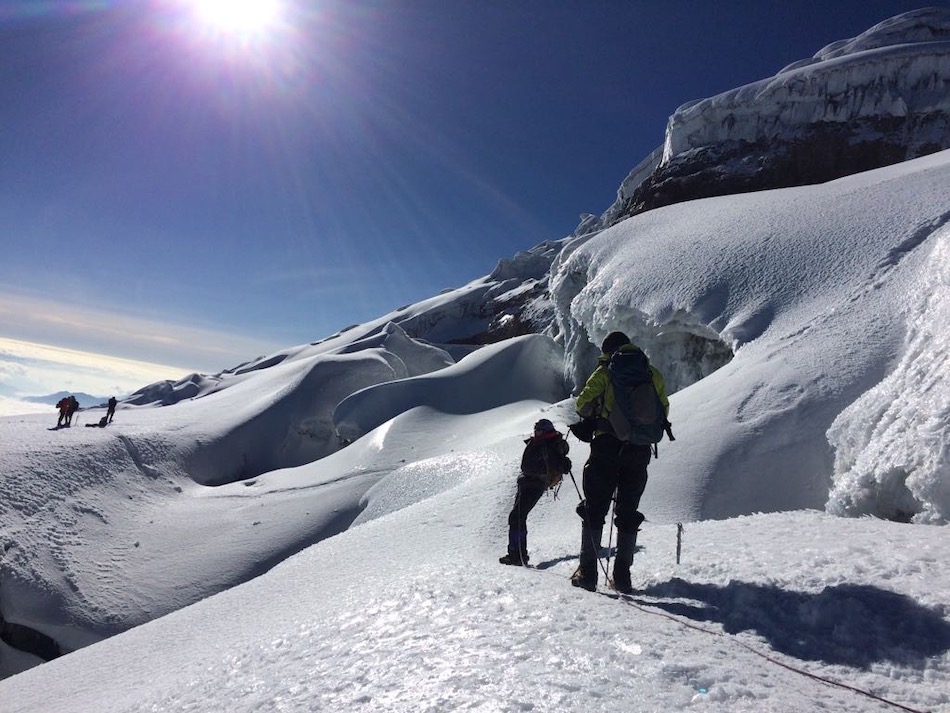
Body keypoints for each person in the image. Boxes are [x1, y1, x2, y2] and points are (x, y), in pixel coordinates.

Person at [571, 331, 669, 594]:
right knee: (628, 511)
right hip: (639, 450)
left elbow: (582, 403)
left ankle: (588, 574)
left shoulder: (606, 372)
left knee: (594, 508)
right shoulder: (651, 373)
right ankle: (623, 577)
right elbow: (664, 409)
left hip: (607, 446)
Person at [499, 418, 571, 567]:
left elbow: (560, 464)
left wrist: (562, 463)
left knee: (517, 516)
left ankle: (517, 555)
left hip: (535, 483)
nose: (536, 432)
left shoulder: (550, 445)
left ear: (545, 431)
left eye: (538, 429)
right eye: (536, 429)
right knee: (517, 516)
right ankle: (517, 554)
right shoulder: (541, 443)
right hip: (528, 482)